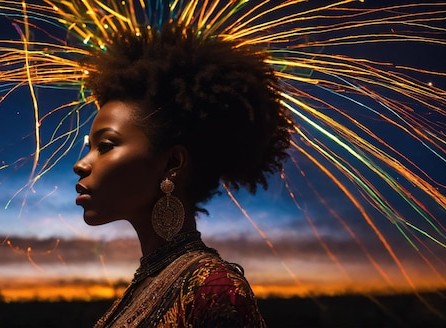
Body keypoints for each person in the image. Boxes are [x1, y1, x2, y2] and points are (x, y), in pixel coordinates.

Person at [73, 22, 293, 327]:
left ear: (171, 163)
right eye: (90, 147)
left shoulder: (213, 289)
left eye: (106, 146)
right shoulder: (148, 284)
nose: (81, 164)